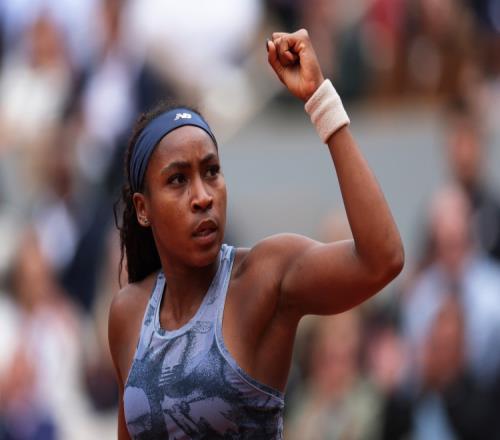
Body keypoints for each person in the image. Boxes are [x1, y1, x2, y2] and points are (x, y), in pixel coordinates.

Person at [108, 29, 404, 439]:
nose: (203, 196)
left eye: (212, 172)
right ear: (143, 209)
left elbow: (382, 259)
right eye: (178, 180)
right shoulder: (128, 313)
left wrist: (321, 101)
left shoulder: (263, 278)